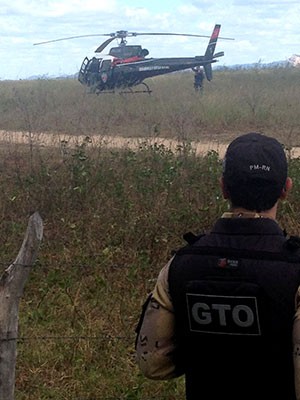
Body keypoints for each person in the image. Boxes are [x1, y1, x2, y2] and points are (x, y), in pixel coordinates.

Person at [135, 132, 300, 400]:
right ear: (286, 189)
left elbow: (152, 362)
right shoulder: (295, 269)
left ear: (223, 187)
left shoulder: (180, 265)